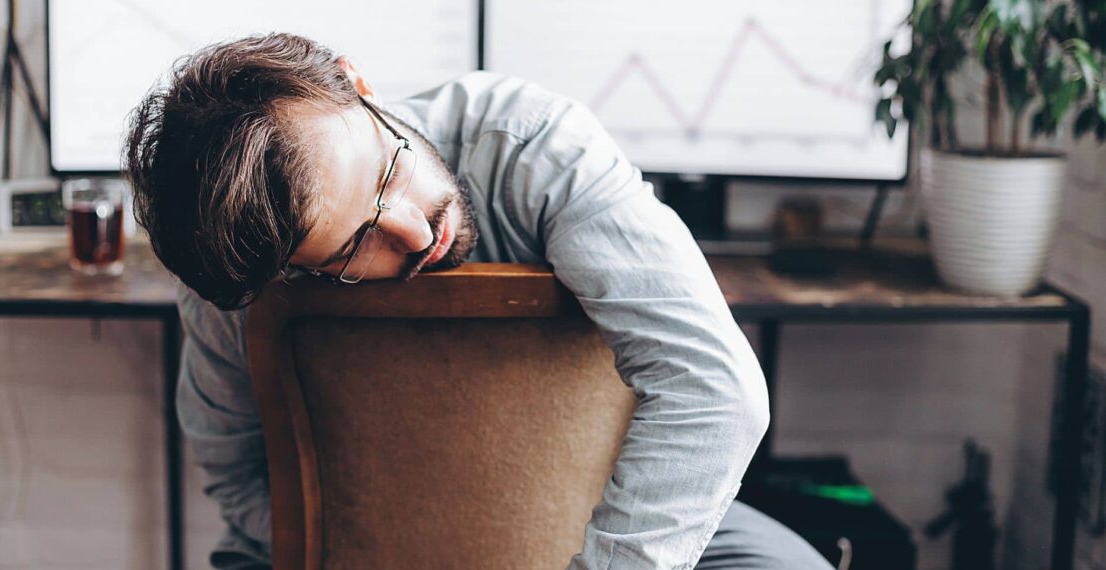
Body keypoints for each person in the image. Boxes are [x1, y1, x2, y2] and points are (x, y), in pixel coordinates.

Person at [125, 33, 832, 570]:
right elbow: (234, 468)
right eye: (351, 249)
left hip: (605, 519)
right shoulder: (241, 264)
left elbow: (714, 392)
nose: (413, 227)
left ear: (356, 85)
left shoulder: (534, 146)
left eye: (385, 169)